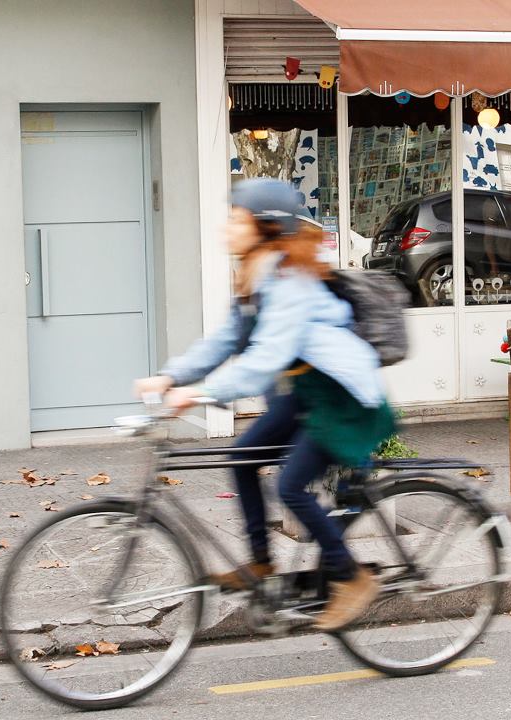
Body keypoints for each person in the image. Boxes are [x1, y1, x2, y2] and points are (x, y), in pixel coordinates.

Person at [134, 178, 395, 632]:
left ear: (266, 226)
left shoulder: (291, 279)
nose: (226, 228)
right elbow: (225, 341)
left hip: (343, 399)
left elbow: (265, 358)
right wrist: (171, 376)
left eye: (236, 220)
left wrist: (199, 394)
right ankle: (261, 563)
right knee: (242, 457)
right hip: (308, 394)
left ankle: (351, 577)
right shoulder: (256, 274)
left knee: (291, 487)